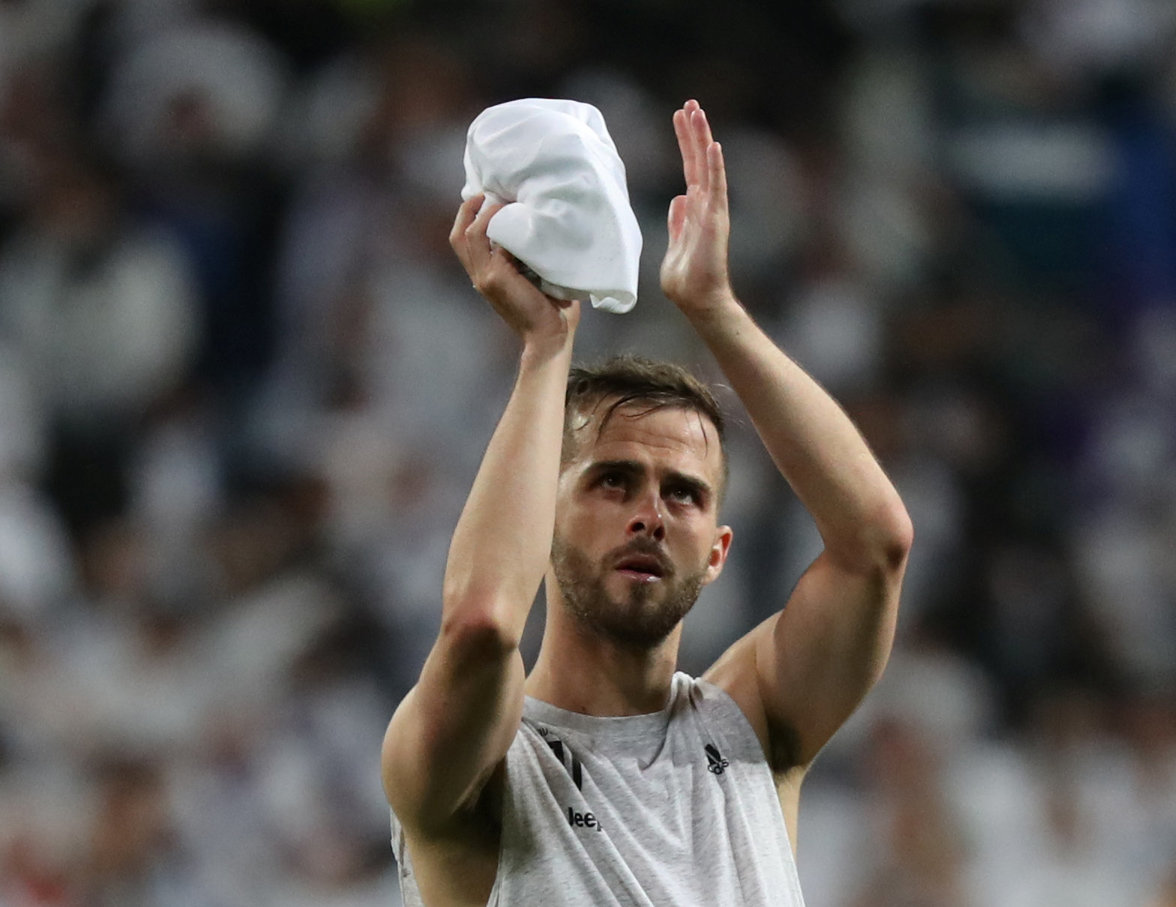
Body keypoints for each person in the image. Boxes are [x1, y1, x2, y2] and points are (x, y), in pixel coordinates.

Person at [381, 98, 913, 906]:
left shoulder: (754, 723)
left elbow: (876, 543)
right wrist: (546, 348)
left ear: (718, 552)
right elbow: (483, 623)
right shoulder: (487, 766)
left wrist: (716, 310)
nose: (650, 514)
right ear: (540, 519)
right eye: (612, 480)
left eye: (684, 494)